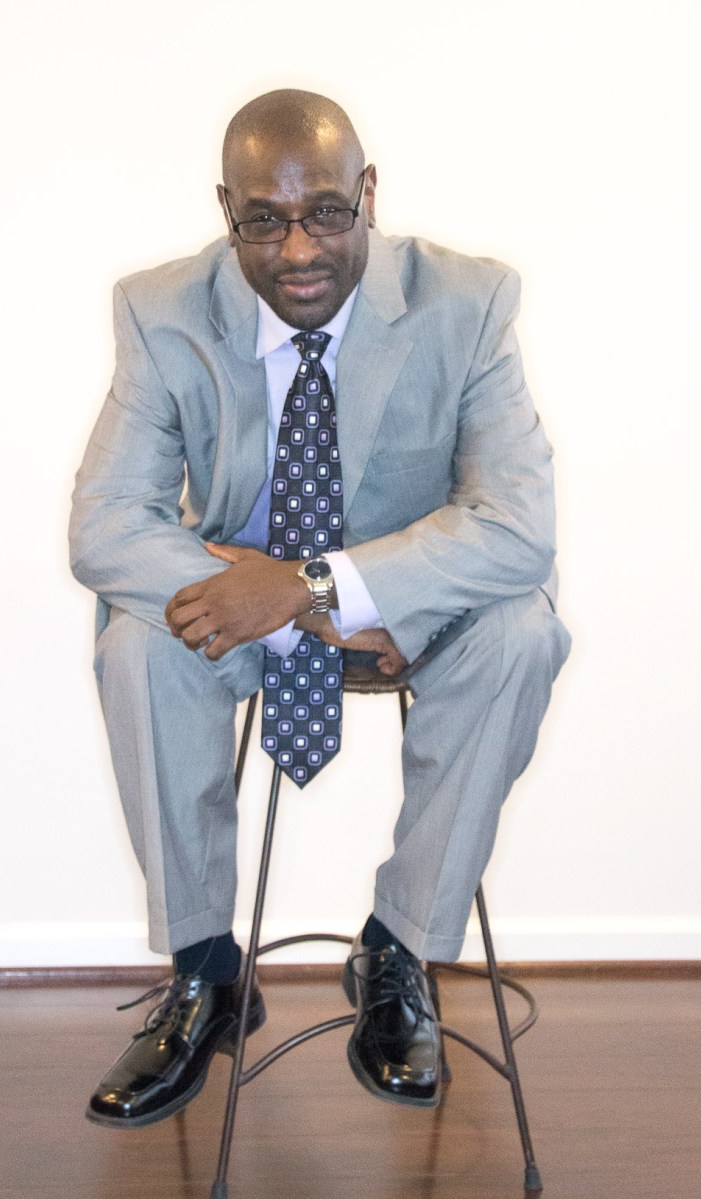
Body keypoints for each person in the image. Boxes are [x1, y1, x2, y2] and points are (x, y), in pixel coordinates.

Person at [70, 88, 570, 1129]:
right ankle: (205, 972)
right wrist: (300, 605)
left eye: (326, 213)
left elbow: (518, 528)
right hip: (250, 610)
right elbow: (107, 525)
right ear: (227, 210)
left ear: (368, 195)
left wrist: (323, 584)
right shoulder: (161, 311)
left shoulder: (467, 302)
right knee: (135, 645)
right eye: (264, 219)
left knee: (522, 629)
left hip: (409, 611)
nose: (298, 249)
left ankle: (397, 950)